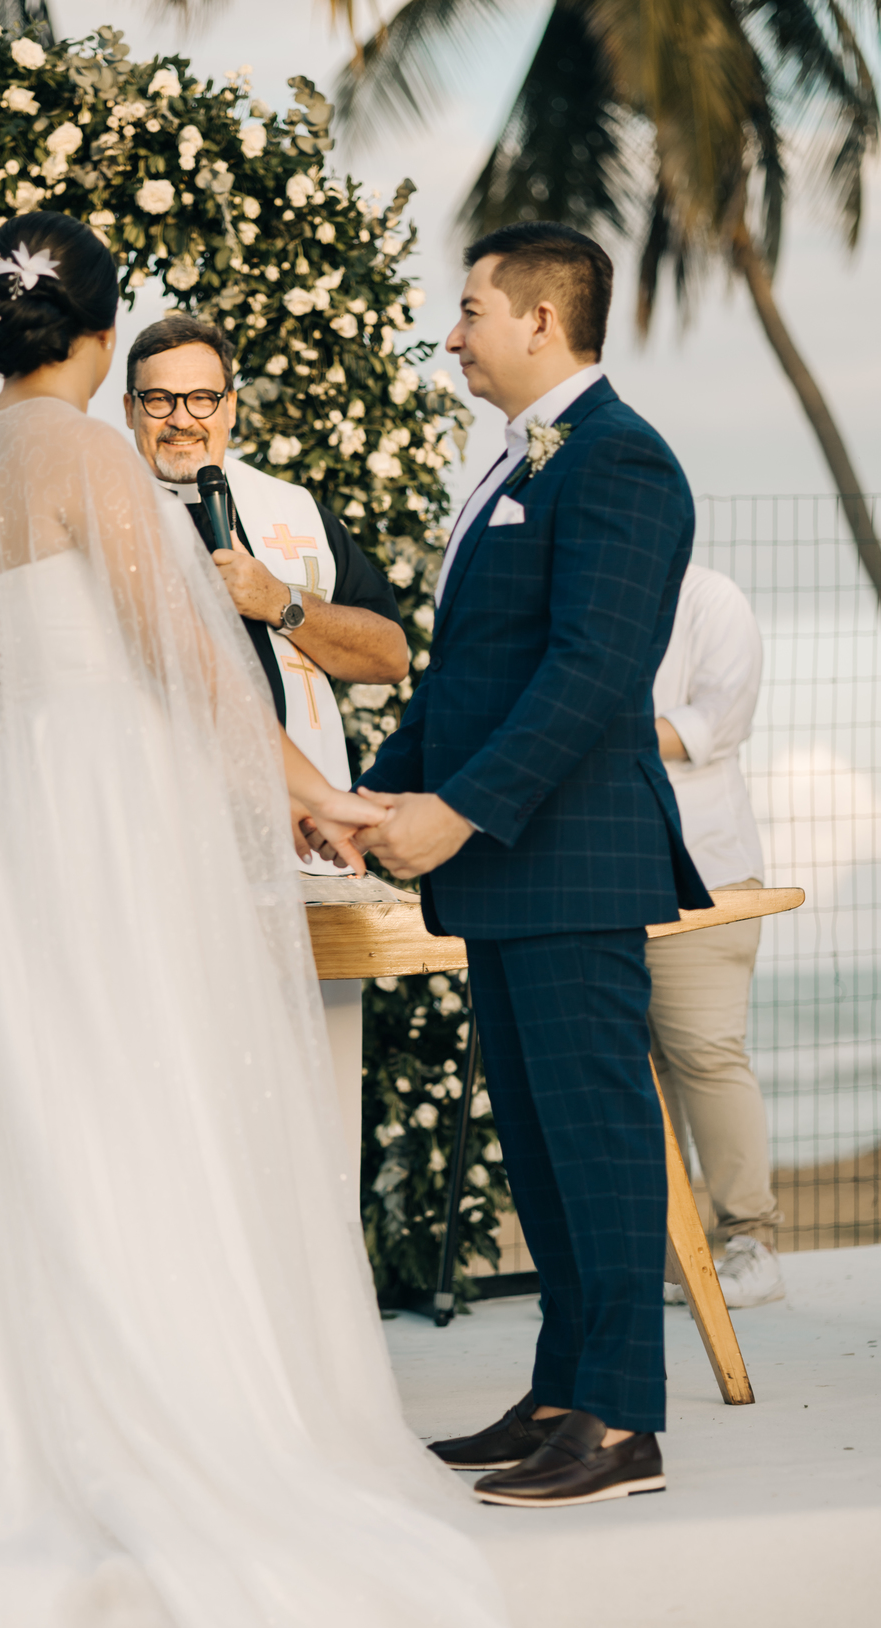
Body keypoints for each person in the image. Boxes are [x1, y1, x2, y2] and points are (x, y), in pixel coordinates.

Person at [0, 214, 832, 1628]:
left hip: (5, 828)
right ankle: (261, 1395)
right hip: (104, 812)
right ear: (99, 337)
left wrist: (372, 792)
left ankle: (590, 1405)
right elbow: (187, 666)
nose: (454, 331)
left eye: (470, 309)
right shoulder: (91, 463)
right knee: (133, 1101)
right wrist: (317, 794)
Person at [347, 222, 713, 1509]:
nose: (452, 336)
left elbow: (591, 674)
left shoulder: (619, 461)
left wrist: (461, 811)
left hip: (571, 858)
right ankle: (564, 1391)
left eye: (469, 311)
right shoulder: (523, 458)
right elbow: (477, 672)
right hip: (515, 866)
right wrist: (381, 793)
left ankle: (621, 1425)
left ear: (540, 323)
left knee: (601, 1142)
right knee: (545, 1146)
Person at [124, 314, 409, 1163]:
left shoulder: (293, 514)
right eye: (160, 399)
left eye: (202, 395)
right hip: (168, 857)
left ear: (234, 405)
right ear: (129, 408)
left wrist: (278, 600)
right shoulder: (106, 514)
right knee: (187, 1114)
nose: (183, 417)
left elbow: (389, 652)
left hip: (308, 854)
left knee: (316, 1104)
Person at [651, 564, 786, 1307]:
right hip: (601, 871)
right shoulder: (577, 593)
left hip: (704, 873)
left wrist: (583, 730)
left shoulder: (712, 598)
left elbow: (716, 722)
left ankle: (753, 1245)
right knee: (640, 1070)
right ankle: (675, 1260)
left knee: (705, 1053)